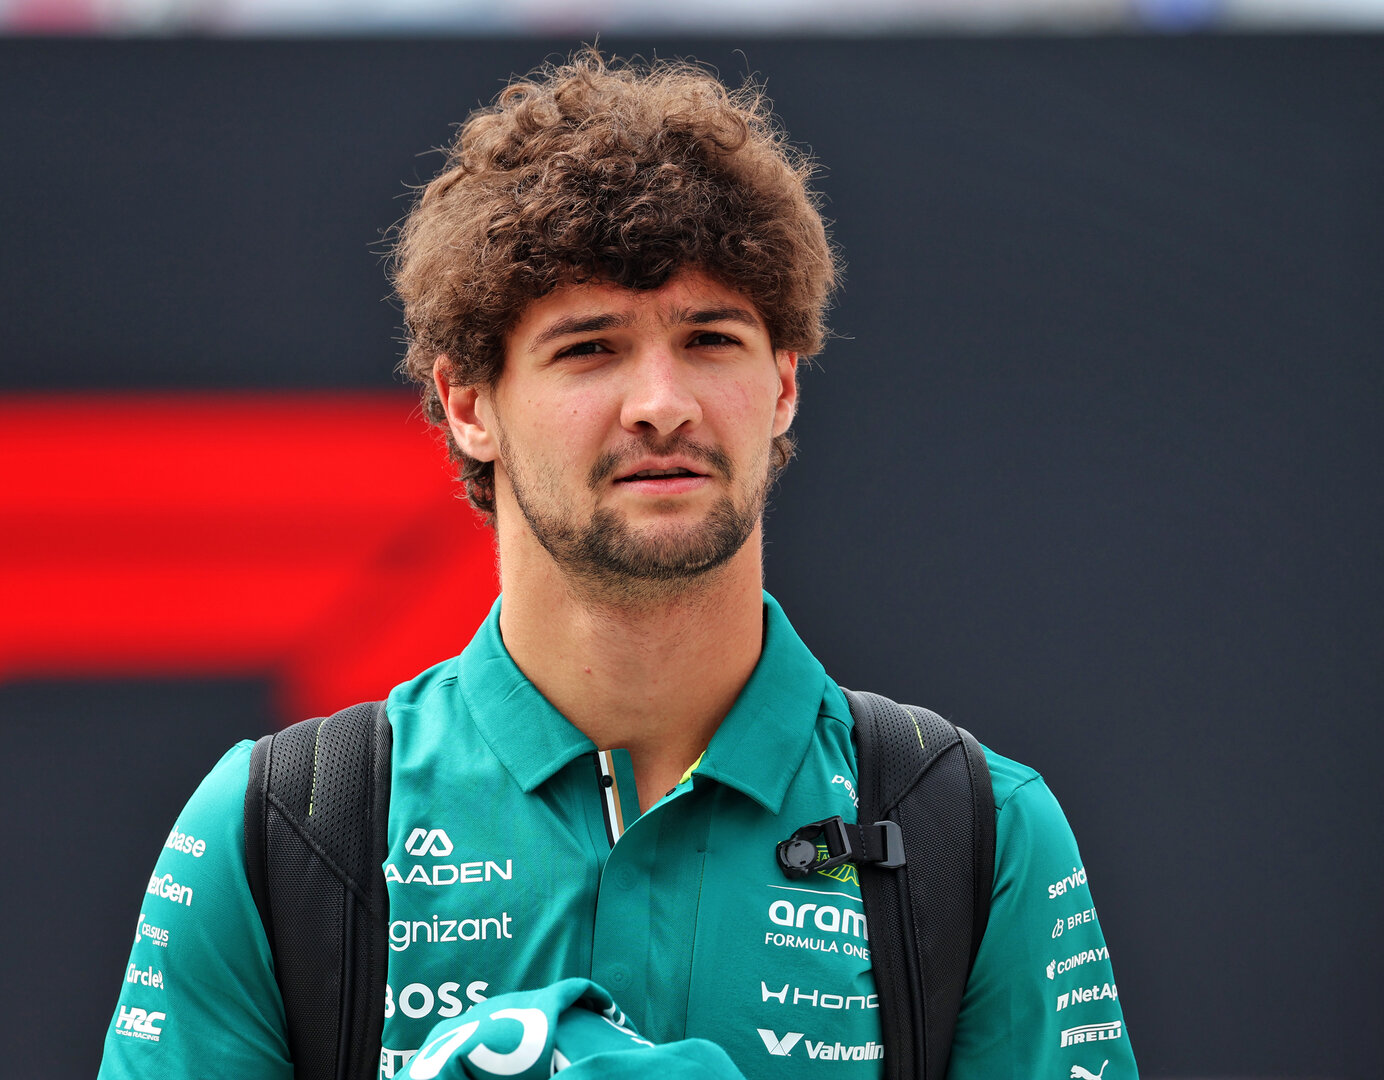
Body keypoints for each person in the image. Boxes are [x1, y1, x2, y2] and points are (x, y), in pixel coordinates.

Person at [98, 51, 1137, 1080]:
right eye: (589, 348)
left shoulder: (971, 829)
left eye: (710, 340)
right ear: (468, 404)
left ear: (783, 384)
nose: (662, 405)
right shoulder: (281, 827)